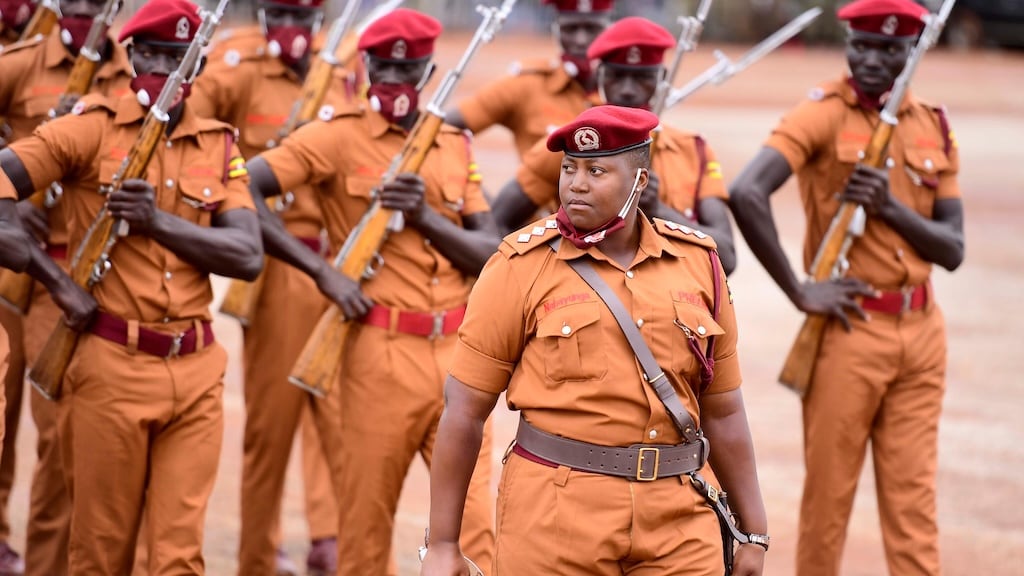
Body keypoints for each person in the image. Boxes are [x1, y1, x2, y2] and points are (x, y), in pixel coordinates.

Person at [421, 104, 767, 576]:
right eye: (569, 168)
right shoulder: (519, 265)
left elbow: (724, 410)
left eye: (597, 170)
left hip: (680, 518)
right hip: (555, 515)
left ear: (640, 181)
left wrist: (754, 531)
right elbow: (464, 409)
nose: (576, 184)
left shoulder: (697, 262)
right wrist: (442, 543)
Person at [0, 0, 264, 572]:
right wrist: (52, 277)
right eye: (156, 57)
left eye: (181, 61)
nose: (168, 73)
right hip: (110, 365)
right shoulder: (89, 127)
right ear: (132, 54)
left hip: (196, 371)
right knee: (100, 553)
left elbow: (248, 255)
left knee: (178, 557)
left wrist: (156, 222)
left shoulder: (219, 144)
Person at [246, 8, 499, 574]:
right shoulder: (334, 137)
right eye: (385, 67)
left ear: (429, 71)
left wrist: (427, 218)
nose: (396, 83)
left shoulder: (452, 142)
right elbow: (245, 187)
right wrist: (321, 272)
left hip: (459, 357)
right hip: (377, 354)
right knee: (364, 528)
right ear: (365, 65)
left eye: (409, 71)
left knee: (476, 528)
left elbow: (489, 250)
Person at [727, 1, 964, 574]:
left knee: (914, 506)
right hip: (849, 331)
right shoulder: (823, 113)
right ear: (847, 42)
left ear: (913, 51)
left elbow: (952, 249)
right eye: (861, 45)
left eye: (890, 49)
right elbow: (747, 191)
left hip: (922, 335)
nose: (873, 60)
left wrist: (889, 209)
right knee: (828, 504)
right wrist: (800, 291)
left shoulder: (931, 122)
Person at [190, 1, 348, 573]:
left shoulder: (347, 68)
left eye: (303, 17)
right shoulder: (238, 69)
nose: (293, 28)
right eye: (281, 12)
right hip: (279, 266)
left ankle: (332, 542)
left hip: (345, 267)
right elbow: (186, 129)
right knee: (272, 424)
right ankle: (258, 554)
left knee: (339, 420)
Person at [0, 1, 133, 572]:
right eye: (73, 1)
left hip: (100, 278)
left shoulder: (143, 72)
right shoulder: (22, 63)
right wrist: (8, 204)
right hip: (27, 272)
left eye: (96, 3)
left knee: (83, 447)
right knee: (29, 435)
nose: (84, 11)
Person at [490, 16, 737, 274]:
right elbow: (497, 225)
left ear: (661, 77)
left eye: (641, 77)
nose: (628, 90)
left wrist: (660, 211)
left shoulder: (692, 151)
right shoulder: (572, 147)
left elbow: (727, 258)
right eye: (618, 76)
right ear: (600, 75)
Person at [445, 0, 613, 158]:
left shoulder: (625, 90)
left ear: (610, 30)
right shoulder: (527, 85)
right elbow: (444, 127)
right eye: (570, 29)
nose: (581, 40)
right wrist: (469, 185)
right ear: (556, 30)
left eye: (592, 29)